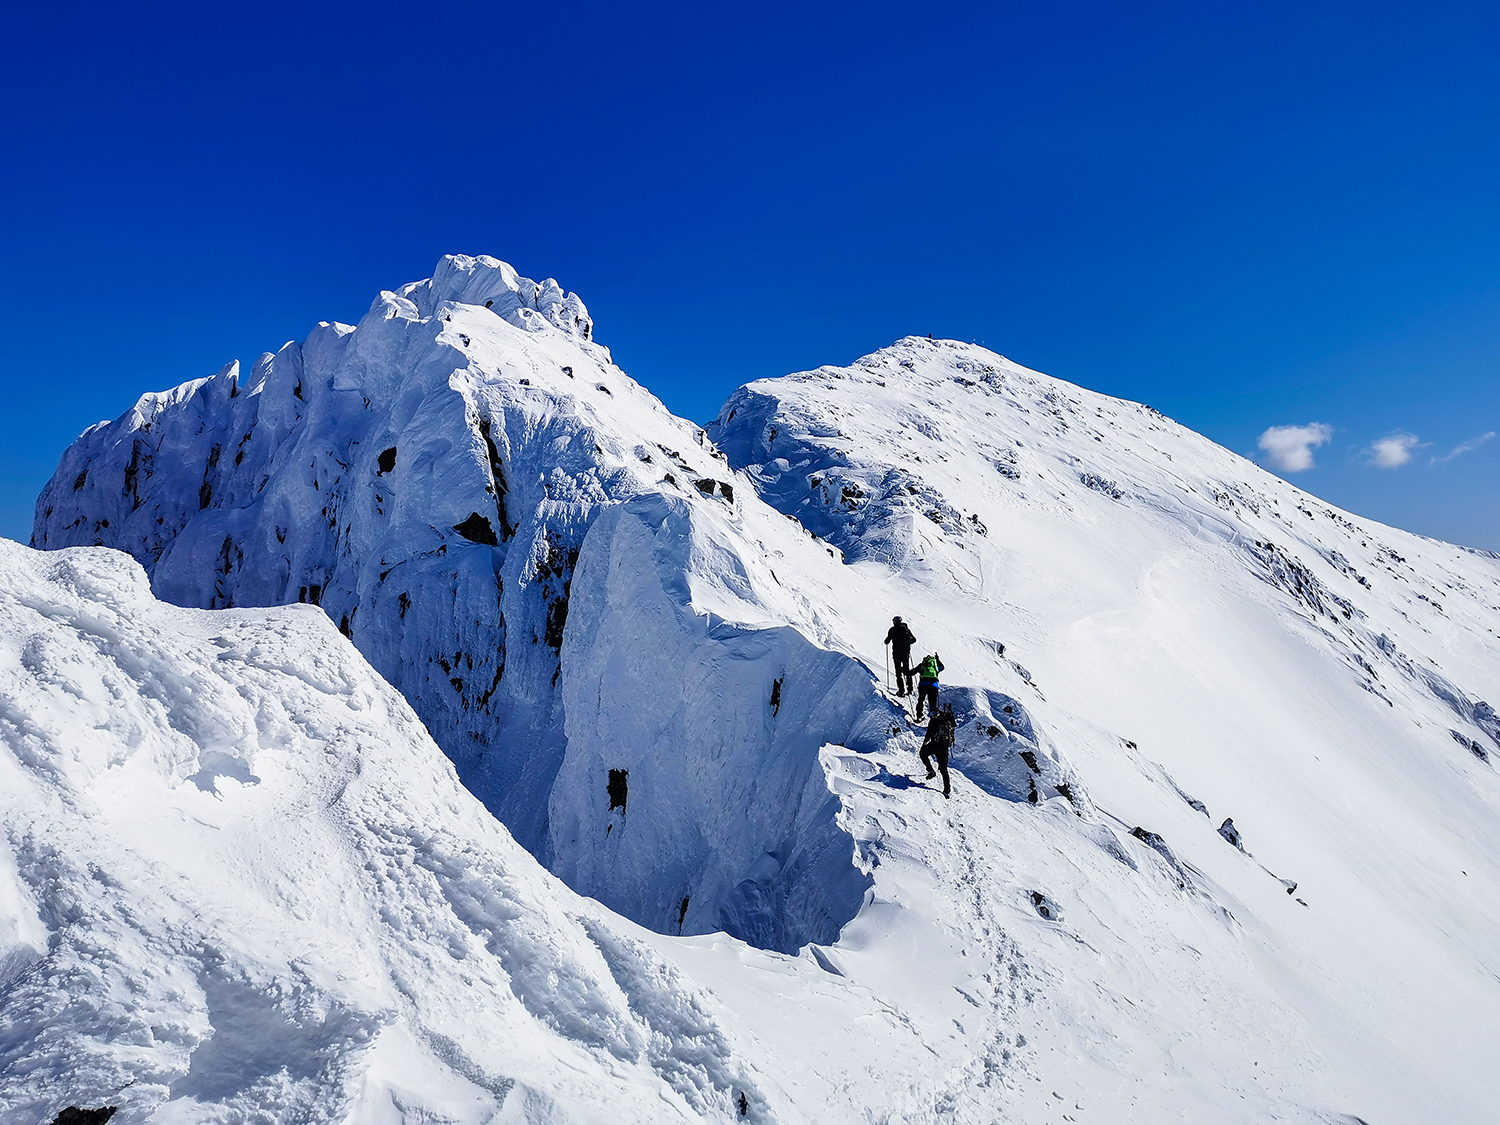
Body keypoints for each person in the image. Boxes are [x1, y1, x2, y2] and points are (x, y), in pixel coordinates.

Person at [920, 705, 955, 798]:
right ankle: (947, 789)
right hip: (944, 748)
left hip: (934, 745)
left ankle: (930, 770)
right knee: (944, 769)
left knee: (922, 753)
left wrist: (924, 743)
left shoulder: (934, 721)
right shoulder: (946, 720)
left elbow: (929, 733)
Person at [884, 616, 917, 695]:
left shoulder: (892, 630)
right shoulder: (905, 629)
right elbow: (914, 639)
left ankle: (901, 690)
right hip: (905, 653)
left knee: (898, 672)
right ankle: (910, 689)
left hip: (896, 654)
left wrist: (887, 641)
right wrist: (907, 643)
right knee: (907, 670)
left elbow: (887, 641)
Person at [914, 653, 944, 720]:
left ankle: (919, 715)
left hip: (922, 686)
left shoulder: (921, 666)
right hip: (933, 687)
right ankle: (934, 719)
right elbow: (942, 667)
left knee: (921, 700)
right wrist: (937, 659)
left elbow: (911, 672)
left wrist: (902, 670)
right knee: (933, 704)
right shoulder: (935, 667)